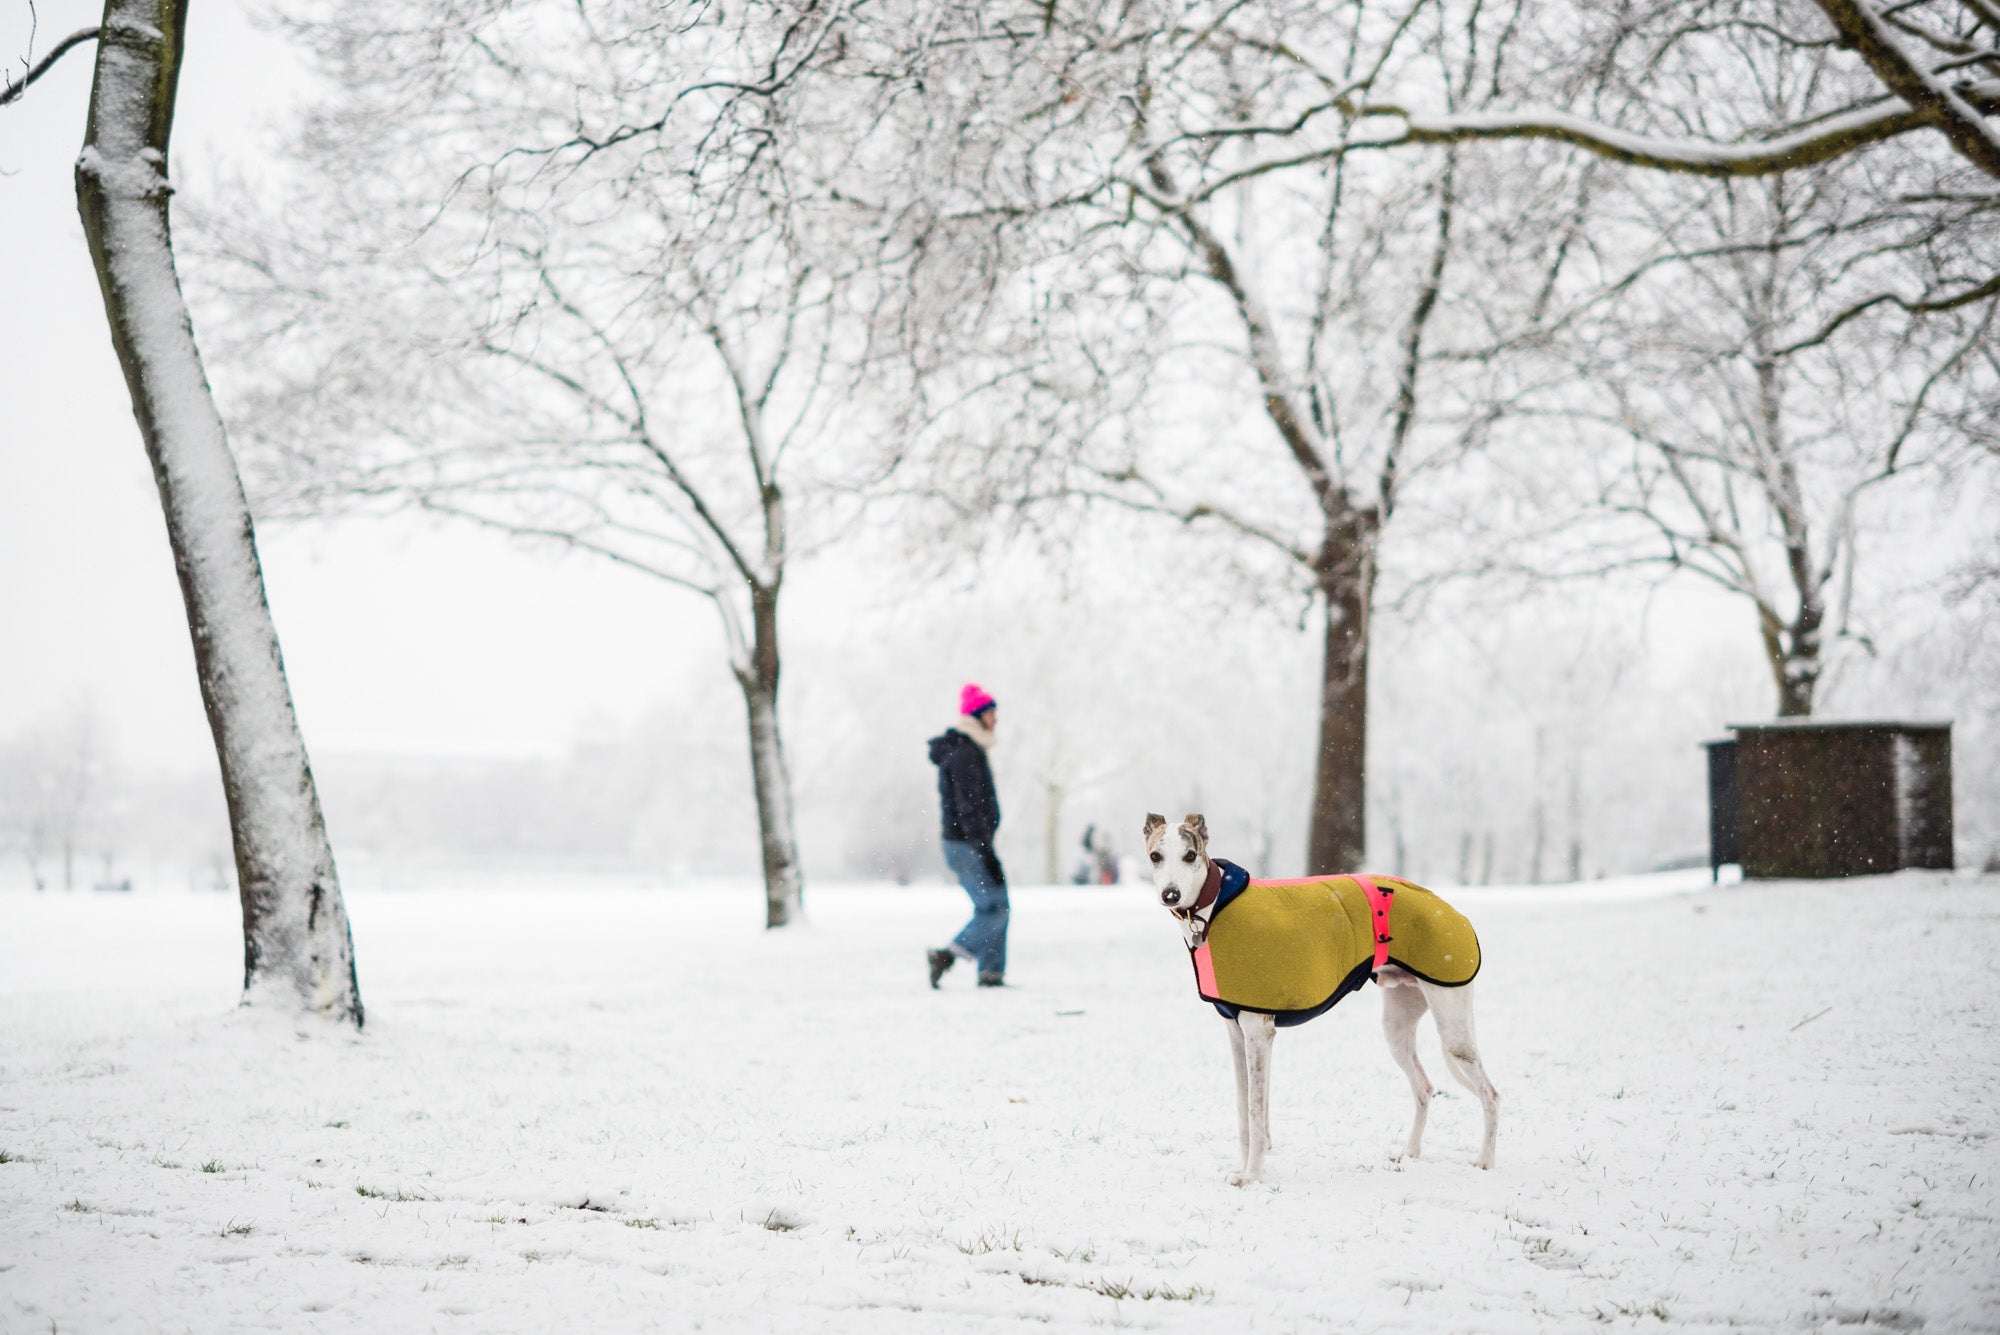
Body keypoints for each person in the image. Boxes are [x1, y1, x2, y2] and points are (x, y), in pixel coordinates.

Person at [926, 683, 1007, 988]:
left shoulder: (969, 749)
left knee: (994, 905)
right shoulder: (964, 753)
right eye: (991, 713)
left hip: (968, 842)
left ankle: (991, 973)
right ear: (977, 714)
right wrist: (983, 848)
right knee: (995, 908)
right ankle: (945, 956)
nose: (996, 719)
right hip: (967, 844)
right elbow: (968, 807)